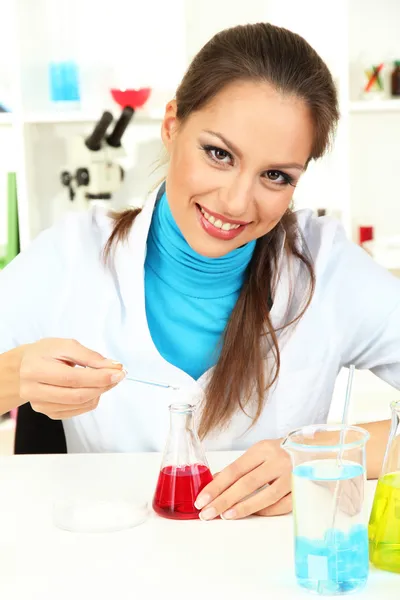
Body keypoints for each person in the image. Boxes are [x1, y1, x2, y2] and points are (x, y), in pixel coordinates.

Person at [1, 22, 399, 521]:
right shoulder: (71, 257)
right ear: (172, 126)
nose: (235, 202)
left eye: (275, 176)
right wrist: (12, 378)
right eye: (218, 154)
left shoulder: (329, 268)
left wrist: (328, 455)